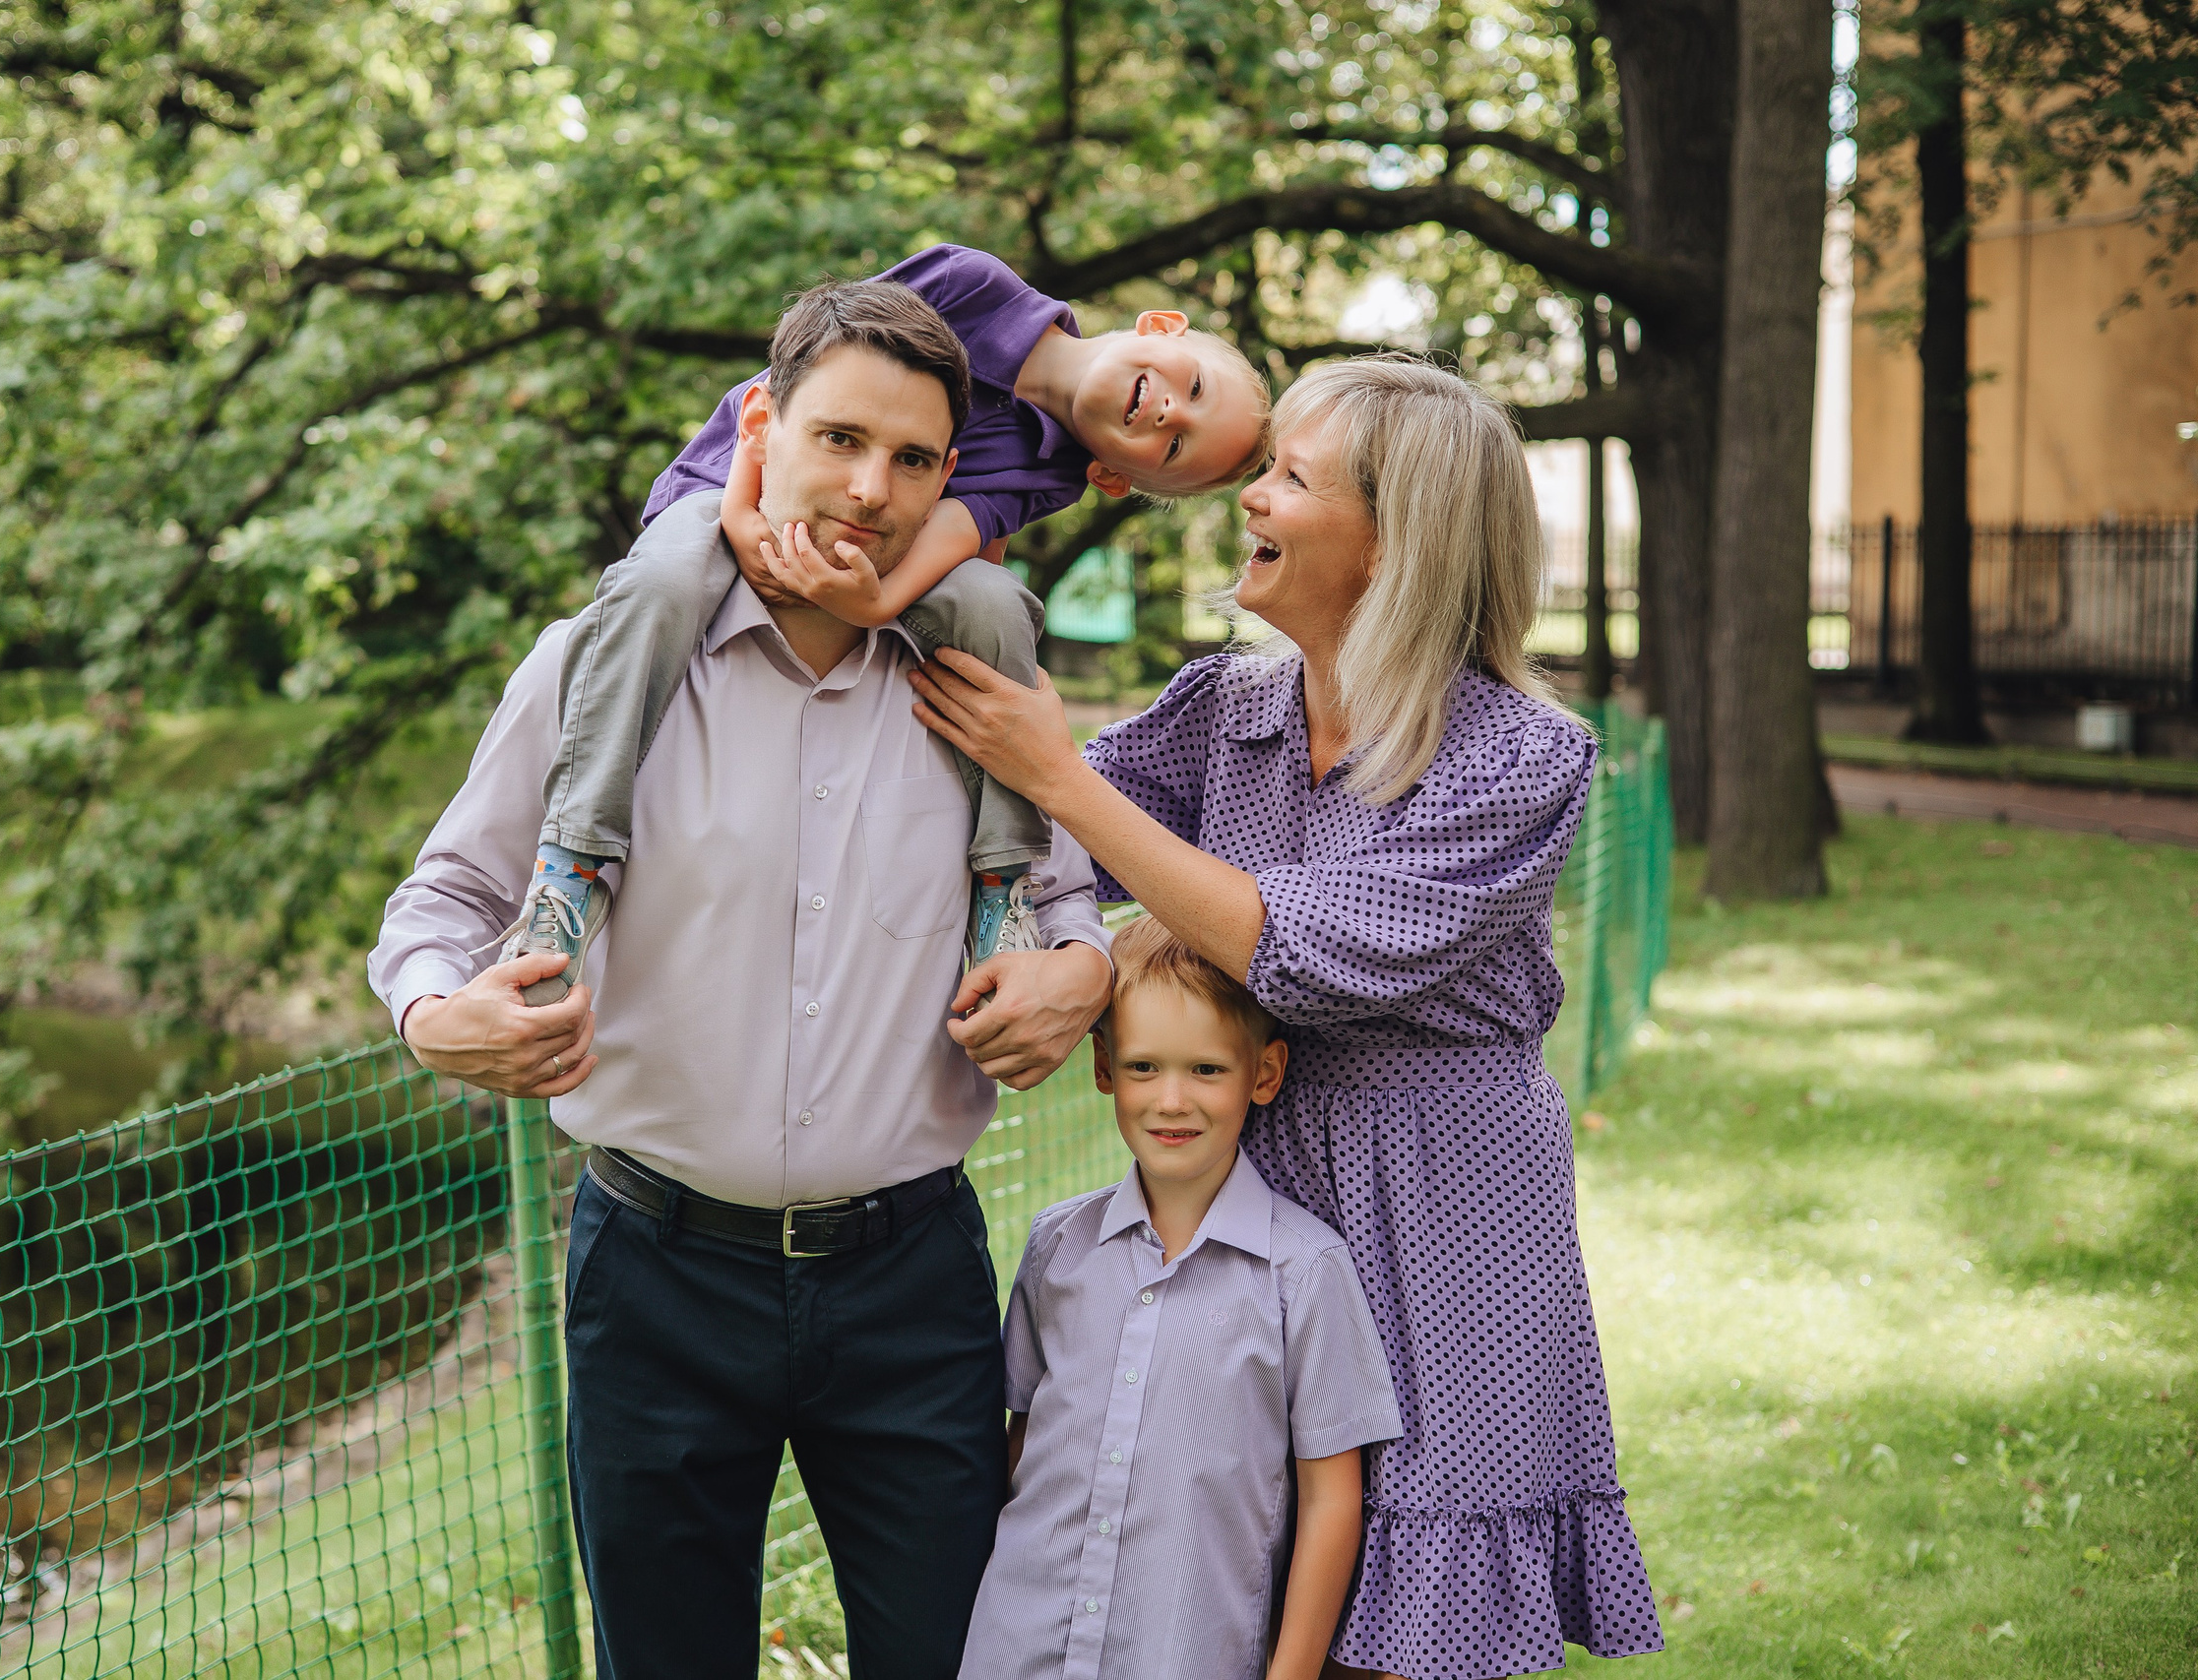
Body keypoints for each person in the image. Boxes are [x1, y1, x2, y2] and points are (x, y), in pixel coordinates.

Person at [367, 276, 1117, 1680]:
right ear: (759, 425)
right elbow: (444, 899)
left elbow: (1070, 902)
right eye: (838, 437)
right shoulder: (593, 664)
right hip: (653, 1276)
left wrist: (1074, 972)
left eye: (911, 459)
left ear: (950, 478)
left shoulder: (987, 688)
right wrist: (430, 1010)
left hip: (912, 1282)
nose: (869, 489)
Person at [908, 354, 1664, 1679]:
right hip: (1255, 1188)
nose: (1246, 494)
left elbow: (1303, 945)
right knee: (1250, 1569)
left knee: (1405, 1615)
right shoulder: (1228, 710)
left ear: (1394, 546)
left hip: (1449, 1215)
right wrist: (1084, 960)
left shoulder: (1516, 756)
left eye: (1289, 478)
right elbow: (1051, 845)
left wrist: (1063, 784)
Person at [516, 244, 1271, 1004]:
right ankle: (573, 860)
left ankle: (1001, 884)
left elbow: (946, 550)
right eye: (1197, 388)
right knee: (660, 581)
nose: (1173, 412)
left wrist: (870, 603)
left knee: (998, 606)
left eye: (1176, 446)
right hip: (742, 485)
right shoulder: (973, 285)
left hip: (875, 557)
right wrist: (741, 515)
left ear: (1115, 478)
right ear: (1163, 326)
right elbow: (802, 373)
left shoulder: (1049, 473)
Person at [959, 914, 1404, 1680]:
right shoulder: (1057, 1247)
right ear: (1102, 1067)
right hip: (1020, 1644)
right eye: (1143, 1067)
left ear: (1263, 1074)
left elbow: (1334, 1499)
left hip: (1185, 1650)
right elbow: (1024, 1442)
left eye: (1205, 1069)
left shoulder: (1305, 1270)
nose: (1171, 1099)